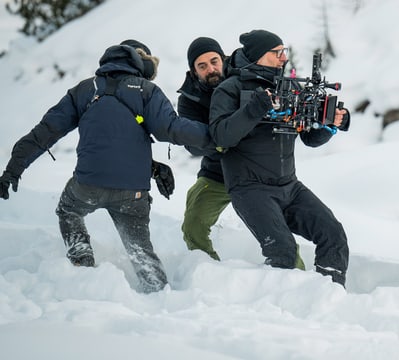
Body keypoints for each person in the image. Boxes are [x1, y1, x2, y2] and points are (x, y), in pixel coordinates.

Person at [0, 40, 216, 293]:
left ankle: (82, 261)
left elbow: (45, 132)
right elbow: (174, 129)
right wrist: (219, 135)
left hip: (87, 185)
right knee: (141, 251)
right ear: (139, 62)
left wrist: (13, 170)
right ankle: (157, 291)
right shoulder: (147, 91)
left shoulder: (84, 90)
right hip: (132, 193)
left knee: (69, 211)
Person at [209, 29, 350, 286]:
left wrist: (330, 125)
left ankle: (331, 295)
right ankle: (278, 313)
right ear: (259, 55)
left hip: (289, 186)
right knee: (283, 251)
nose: (284, 59)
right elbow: (221, 136)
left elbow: (309, 137)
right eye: (278, 53)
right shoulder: (229, 89)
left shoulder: (291, 87)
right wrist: (255, 108)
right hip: (250, 189)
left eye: (284, 52)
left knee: (333, 233)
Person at [177, 37, 305, 269]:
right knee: (193, 223)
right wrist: (224, 137)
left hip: (257, 175)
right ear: (194, 71)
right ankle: (207, 270)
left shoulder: (247, 79)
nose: (211, 69)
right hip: (217, 174)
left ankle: (297, 277)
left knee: (280, 236)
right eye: (202, 66)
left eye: (214, 61)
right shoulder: (189, 99)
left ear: (223, 60)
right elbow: (192, 144)